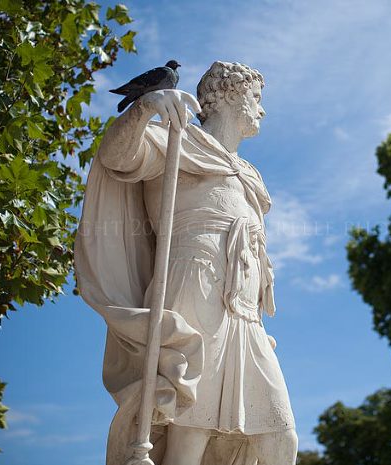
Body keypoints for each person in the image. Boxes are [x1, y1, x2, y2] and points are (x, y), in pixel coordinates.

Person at [75, 61, 297, 465]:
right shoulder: (177, 140)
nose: (261, 109)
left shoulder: (249, 175)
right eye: (256, 98)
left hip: (245, 314)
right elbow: (118, 157)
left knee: (281, 435)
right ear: (228, 95)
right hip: (194, 286)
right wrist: (144, 107)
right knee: (191, 426)